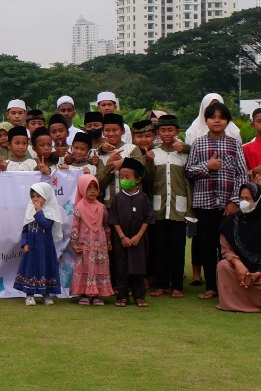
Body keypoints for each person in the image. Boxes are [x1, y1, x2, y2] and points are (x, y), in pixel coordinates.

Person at [186, 100, 248, 300]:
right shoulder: (198, 143)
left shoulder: (234, 144)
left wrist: (234, 201)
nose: (217, 121)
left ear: (227, 122)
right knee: (207, 245)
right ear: (206, 120)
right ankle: (212, 287)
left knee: (229, 246)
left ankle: (228, 286)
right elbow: (189, 170)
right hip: (205, 203)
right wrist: (207, 166)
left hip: (228, 205)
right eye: (213, 117)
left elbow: (242, 175)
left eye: (221, 118)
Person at [215, 183, 261, 313]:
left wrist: (256, 275)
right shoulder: (230, 222)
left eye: (248, 199)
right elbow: (226, 249)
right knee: (223, 266)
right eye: (241, 199)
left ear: (258, 200)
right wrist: (238, 265)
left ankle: (250, 301)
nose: (243, 202)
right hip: (239, 272)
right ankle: (233, 302)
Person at [149, 116, 190, 298]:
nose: (167, 134)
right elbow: (148, 180)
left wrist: (190, 210)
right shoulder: (153, 153)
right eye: (163, 130)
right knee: (160, 248)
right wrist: (148, 163)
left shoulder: (183, 153)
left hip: (178, 208)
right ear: (158, 133)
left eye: (170, 130)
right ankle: (162, 284)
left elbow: (189, 181)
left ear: (177, 132)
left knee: (177, 248)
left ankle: (177, 286)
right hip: (158, 208)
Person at [106, 157, 152, 307]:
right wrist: (122, 237)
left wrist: (138, 236)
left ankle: (139, 297)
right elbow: (114, 220)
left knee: (139, 268)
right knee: (122, 268)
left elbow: (148, 219)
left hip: (139, 240)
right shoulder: (117, 199)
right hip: (121, 240)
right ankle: (122, 296)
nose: (124, 180)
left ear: (137, 180)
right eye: (122, 177)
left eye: (128, 177)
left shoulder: (143, 198)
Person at [69, 173, 113, 305]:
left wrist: (109, 239)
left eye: (95, 188)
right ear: (82, 189)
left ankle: (97, 295)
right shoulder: (78, 207)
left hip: (99, 243)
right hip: (84, 244)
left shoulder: (101, 207)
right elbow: (75, 226)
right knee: (85, 266)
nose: (93, 191)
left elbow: (105, 225)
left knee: (99, 267)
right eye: (89, 188)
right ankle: (85, 294)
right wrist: (74, 242)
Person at [16, 182, 63, 305]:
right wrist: (24, 243)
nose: (35, 199)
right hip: (32, 248)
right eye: (33, 196)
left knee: (45, 268)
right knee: (31, 269)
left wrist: (39, 212)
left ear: (46, 196)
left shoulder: (50, 212)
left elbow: (46, 225)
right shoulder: (29, 211)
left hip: (45, 248)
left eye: (38, 196)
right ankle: (29, 295)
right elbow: (25, 229)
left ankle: (45, 295)